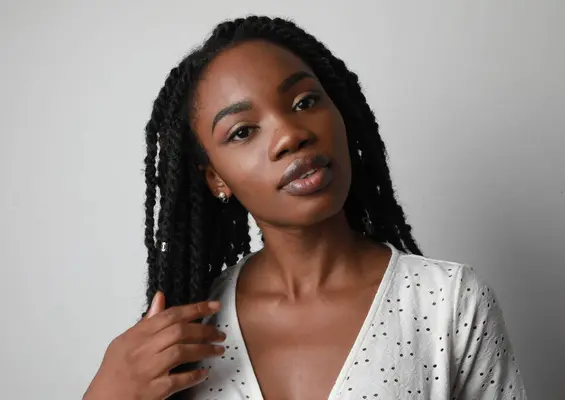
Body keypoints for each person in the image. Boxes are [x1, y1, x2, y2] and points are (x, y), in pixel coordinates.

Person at [83, 15, 527, 400]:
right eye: (242, 132)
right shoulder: (190, 327)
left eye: (305, 102)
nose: (290, 134)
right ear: (216, 178)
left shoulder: (448, 303)